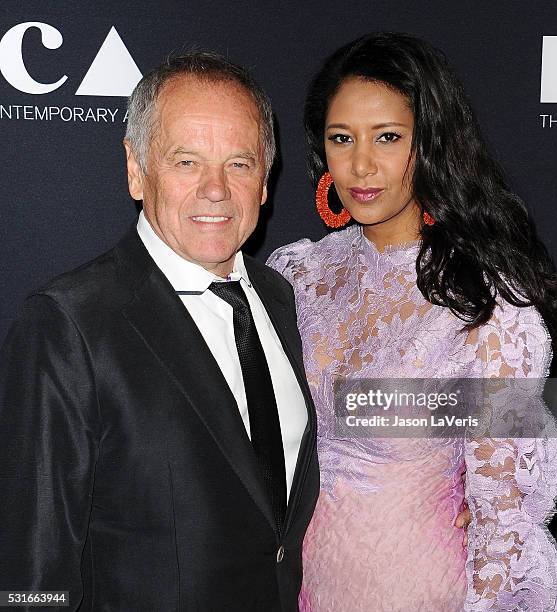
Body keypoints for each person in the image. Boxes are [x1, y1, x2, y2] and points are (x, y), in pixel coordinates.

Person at [267, 32, 557, 611]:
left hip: (414, 588)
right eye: (342, 139)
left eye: (388, 137)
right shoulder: (297, 278)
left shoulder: (488, 305)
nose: (361, 164)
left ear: (430, 143)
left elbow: (501, 521)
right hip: (293, 589)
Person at [0, 52, 319, 611]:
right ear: (136, 168)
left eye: (239, 164)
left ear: (265, 180)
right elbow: (32, 573)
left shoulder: (282, 301)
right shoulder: (69, 324)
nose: (216, 190)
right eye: (187, 162)